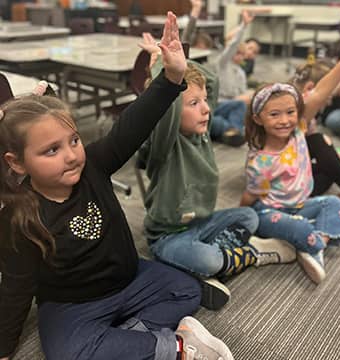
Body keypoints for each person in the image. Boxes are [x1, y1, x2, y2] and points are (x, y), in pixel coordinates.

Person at [0, 12, 234, 360]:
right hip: (72, 305)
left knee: (187, 291)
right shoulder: (19, 217)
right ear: (17, 162)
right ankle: (173, 346)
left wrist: (171, 77)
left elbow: (133, 125)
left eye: (74, 140)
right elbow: (16, 289)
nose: (70, 156)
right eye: (51, 150)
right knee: (67, 354)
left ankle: (128, 340)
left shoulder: (94, 164)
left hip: (131, 280)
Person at [138, 34, 296, 312]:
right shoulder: (165, 143)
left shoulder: (202, 135)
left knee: (247, 216)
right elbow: (164, 109)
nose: (207, 108)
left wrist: (181, 61)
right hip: (169, 235)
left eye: (204, 101)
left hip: (203, 223)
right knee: (207, 259)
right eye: (194, 104)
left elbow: (211, 82)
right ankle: (246, 255)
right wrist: (162, 67)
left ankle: (216, 265)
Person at [240, 37, 340, 284]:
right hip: (270, 212)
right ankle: (308, 242)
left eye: (290, 112)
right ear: (259, 118)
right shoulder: (260, 161)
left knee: (333, 205)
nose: (285, 120)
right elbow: (250, 198)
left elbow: (321, 92)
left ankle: (310, 246)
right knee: (300, 228)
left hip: (299, 205)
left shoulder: (298, 131)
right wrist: (241, 221)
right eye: (274, 114)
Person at [291, 60, 340, 214]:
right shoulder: (294, 106)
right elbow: (313, 142)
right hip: (279, 175)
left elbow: (309, 145)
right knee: (319, 140)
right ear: (309, 89)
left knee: (333, 169)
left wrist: (335, 157)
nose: (329, 101)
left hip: (294, 170)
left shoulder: (309, 115)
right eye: (328, 97)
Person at [210, 10, 255, 147]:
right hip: (218, 104)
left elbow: (242, 93)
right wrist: (243, 26)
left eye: (242, 54)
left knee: (244, 103)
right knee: (239, 106)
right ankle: (235, 131)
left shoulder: (240, 72)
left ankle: (228, 132)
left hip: (231, 106)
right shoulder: (223, 64)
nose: (239, 56)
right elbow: (232, 46)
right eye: (237, 53)